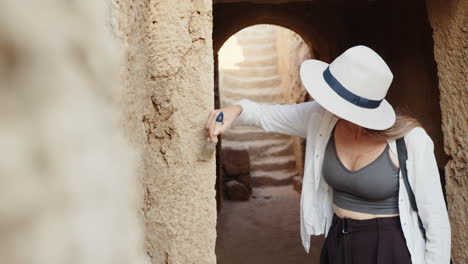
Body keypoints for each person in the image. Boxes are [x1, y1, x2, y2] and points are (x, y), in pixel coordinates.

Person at [205, 45, 451, 264]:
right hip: (338, 242)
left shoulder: (411, 140)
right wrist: (233, 110)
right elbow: (267, 115)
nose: (326, 105)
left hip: (388, 246)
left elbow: (436, 220)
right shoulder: (322, 119)